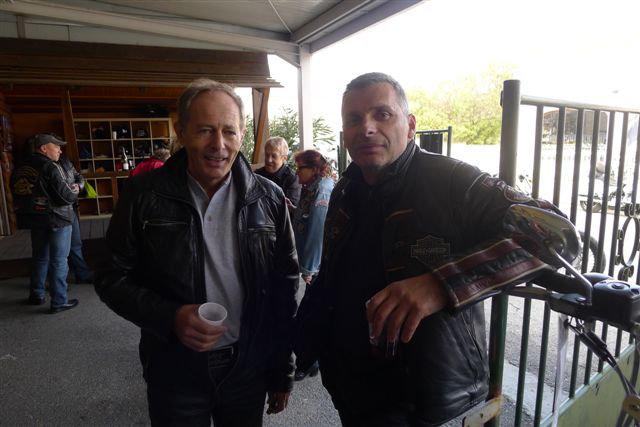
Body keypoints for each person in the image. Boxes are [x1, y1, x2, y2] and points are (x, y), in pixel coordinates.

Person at [294, 72, 562, 426]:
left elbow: (554, 235)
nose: (367, 128)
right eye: (354, 119)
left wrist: (440, 284)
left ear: (410, 126)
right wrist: (297, 350)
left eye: (382, 114)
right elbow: (330, 280)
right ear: (345, 134)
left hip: (426, 402)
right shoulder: (345, 190)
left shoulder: (451, 181)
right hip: (352, 390)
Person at [94, 78, 299, 426]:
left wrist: (283, 369)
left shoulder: (269, 198)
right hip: (175, 369)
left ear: (243, 134)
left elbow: (285, 287)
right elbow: (110, 276)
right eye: (205, 130)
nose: (218, 145)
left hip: (247, 369)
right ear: (182, 132)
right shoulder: (144, 194)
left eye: (229, 131)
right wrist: (170, 316)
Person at [10, 133, 80, 313]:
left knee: (40, 258)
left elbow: (17, 192)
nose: (60, 150)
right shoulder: (51, 166)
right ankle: (59, 301)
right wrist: (76, 190)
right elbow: (66, 197)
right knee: (59, 260)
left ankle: (37, 294)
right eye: (56, 146)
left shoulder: (20, 167)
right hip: (58, 219)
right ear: (43, 148)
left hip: (34, 219)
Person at [290, 149, 334, 381]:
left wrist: (309, 269)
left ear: (314, 169)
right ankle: (310, 361)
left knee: (309, 316)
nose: (297, 173)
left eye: (301, 168)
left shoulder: (322, 190)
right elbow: (305, 219)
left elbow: (318, 231)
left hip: (317, 267)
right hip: (313, 265)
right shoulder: (312, 187)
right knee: (310, 314)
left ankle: (308, 362)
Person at [58, 152, 94, 284]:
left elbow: (78, 176)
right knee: (57, 251)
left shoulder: (65, 161)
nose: (59, 150)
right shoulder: (44, 165)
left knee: (76, 244)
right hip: (54, 211)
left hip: (70, 208)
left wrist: (79, 185)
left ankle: (82, 274)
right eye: (56, 147)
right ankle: (57, 283)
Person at [255, 136, 301, 207]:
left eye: (274, 156)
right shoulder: (257, 175)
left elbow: (290, 208)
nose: (269, 160)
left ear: (284, 158)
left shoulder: (292, 179)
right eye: (267, 155)